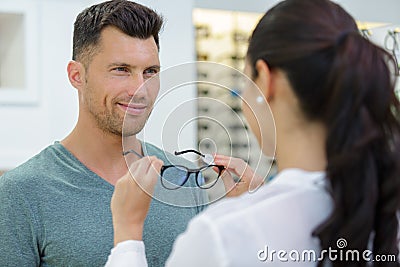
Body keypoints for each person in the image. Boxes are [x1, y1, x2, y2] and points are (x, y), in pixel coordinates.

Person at [105, 0, 400, 266]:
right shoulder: (387, 210)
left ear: (267, 80)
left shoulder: (221, 237)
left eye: (246, 81)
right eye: (121, 69)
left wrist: (128, 236)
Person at [0, 1, 207, 266]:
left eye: (150, 72)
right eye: (121, 70)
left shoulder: (188, 181)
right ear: (76, 75)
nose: (140, 90)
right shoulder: (20, 194)